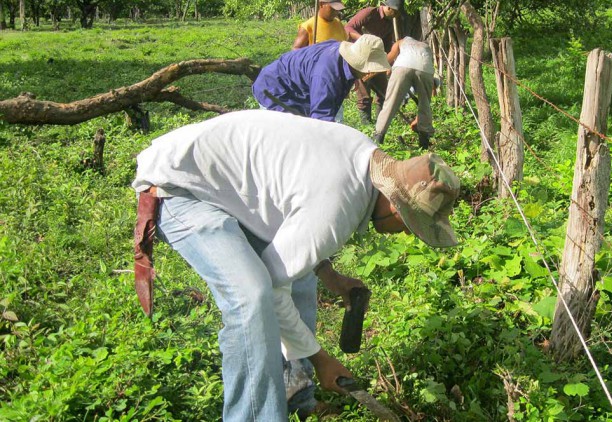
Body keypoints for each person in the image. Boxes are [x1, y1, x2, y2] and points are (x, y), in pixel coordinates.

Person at [131, 109, 460, 422]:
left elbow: (294, 211)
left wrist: (328, 274)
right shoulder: (338, 205)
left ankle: (293, 391)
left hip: (226, 187)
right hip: (179, 187)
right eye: (409, 224)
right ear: (395, 207)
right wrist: (321, 360)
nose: (405, 232)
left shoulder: (364, 157)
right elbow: (275, 284)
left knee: (297, 278)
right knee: (251, 297)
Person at [252, 34, 390, 123]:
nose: (372, 72)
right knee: (288, 138)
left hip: (299, 90)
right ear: (357, 63)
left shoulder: (343, 60)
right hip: (275, 90)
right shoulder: (327, 76)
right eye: (371, 68)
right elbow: (321, 120)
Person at [345, 0, 402, 124]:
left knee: (383, 92)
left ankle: (380, 123)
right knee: (364, 95)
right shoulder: (369, 13)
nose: (396, 16)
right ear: (387, 7)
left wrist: (387, 64)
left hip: (375, 60)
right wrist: (364, 40)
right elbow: (348, 28)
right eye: (395, 12)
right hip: (359, 57)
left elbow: (386, 45)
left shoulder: (388, 24)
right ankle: (366, 126)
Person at [374, 36, 436, 149]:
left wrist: (374, 70)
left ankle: (378, 137)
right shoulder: (426, 47)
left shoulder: (400, 42)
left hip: (402, 66)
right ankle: (424, 143)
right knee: (425, 105)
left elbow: (388, 59)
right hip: (425, 68)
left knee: (390, 102)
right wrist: (418, 120)